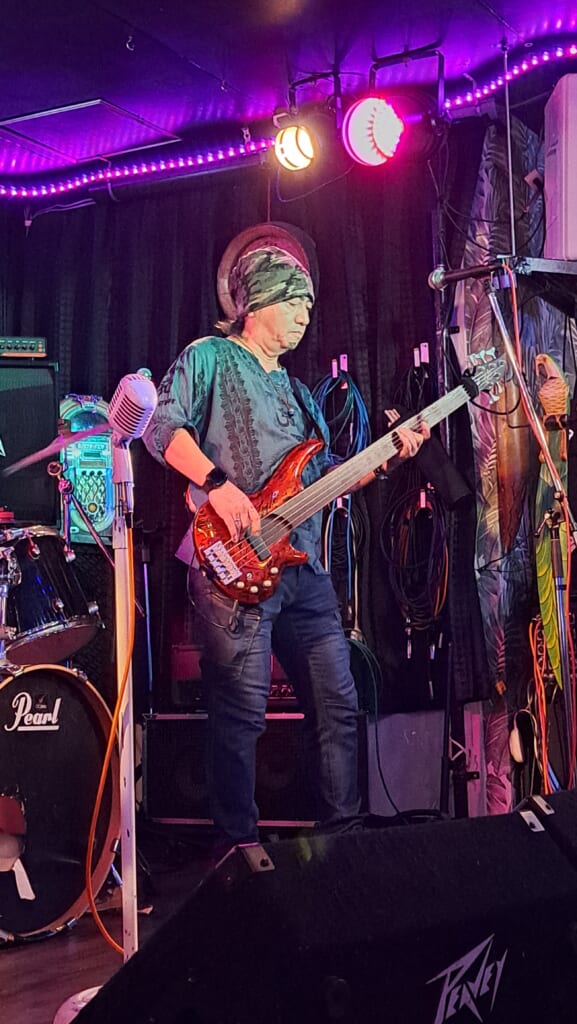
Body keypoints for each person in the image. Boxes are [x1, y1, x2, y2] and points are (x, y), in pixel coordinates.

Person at [143, 236, 429, 853]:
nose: (305, 315)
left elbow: (325, 480)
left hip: (304, 570)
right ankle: (237, 855)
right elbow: (159, 429)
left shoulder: (300, 395)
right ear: (258, 303)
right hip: (232, 565)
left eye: (309, 305)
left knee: (338, 703)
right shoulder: (208, 357)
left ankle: (342, 843)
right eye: (295, 302)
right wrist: (217, 486)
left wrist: (387, 457)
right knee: (241, 715)